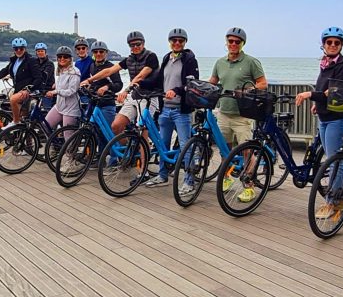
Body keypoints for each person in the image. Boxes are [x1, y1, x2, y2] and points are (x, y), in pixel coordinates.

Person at [295, 27, 343, 219]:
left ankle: (332, 202)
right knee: (334, 159)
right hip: (325, 116)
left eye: (336, 43)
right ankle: (342, 198)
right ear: (323, 44)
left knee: (335, 161)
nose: (332, 45)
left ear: (341, 45)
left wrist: (309, 95)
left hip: (337, 118)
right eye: (329, 42)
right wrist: (318, 105)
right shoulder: (326, 64)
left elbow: (334, 92)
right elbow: (325, 89)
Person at [208, 27, 267, 203]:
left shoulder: (251, 62)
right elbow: (213, 82)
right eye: (230, 41)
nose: (233, 44)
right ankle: (227, 176)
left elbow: (263, 83)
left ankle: (249, 186)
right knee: (224, 149)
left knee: (247, 150)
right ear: (226, 42)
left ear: (242, 44)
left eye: (237, 42)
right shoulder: (220, 62)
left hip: (243, 114)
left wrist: (248, 89)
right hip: (224, 112)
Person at [145, 28, 200, 189]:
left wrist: (176, 91)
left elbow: (191, 83)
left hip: (181, 111)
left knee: (185, 146)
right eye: (174, 40)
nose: (177, 43)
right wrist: (138, 84)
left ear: (184, 43)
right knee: (163, 144)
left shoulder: (189, 60)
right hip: (165, 109)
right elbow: (158, 79)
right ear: (169, 42)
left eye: (180, 41)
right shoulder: (166, 58)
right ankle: (162, 176)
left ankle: (189, 181)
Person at [81, 31, 160, 134]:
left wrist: (126, 91)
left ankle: (143, 150)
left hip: (148, 97)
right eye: (132, 45)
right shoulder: (129, 59)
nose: (135, 47)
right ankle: (126, 148)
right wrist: (88, 80)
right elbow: (109, 71)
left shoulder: (151, 56)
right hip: (135, 96)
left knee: (141, 130)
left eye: (138, 44)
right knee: (116, 126)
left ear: (143, 43)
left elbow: (140, 76)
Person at [0, 37, 43, 127]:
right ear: (14, 49)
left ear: (25, 49)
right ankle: (25, 139)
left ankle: (15, 122)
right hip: (18, 90)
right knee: (24, 119)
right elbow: (2, 73)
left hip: (30, 91)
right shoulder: (14, 61)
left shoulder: (31, 61)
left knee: (13, 99)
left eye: (21, 48)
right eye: (16, 49)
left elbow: (38, 78)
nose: (19, 51)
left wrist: (29, 89)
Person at [86, 40, 123, 150]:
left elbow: (119, 85)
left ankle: (113, 160)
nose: (98, 54)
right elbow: (94, 83)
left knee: (108, 133)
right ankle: (99, 155)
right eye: (96, 51)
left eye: (101, 51)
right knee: (96, 131)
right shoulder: (92, 66)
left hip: (107, 104)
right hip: (95, 103)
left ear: (106, 53)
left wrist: (107, 87)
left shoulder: (111, 67)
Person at [44, 46, 82, 141]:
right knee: (45, 126)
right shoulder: (61, 70)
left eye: (65, 57)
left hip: (70, 109)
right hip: (59, 106)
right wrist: (55, 85)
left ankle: (71, 154)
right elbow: (62, 84)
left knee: (68, 136)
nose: (62, 59)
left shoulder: (75, 72)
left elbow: (71, 91)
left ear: (70, 59)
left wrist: (56, 91)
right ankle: (55, 146)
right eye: (60, 57)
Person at [34, 42, 55, 108]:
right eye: (38, 51)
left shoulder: (50, 64)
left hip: (47, 90)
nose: (40, 52)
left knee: (46, 110)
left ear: (45, 52)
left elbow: (45, 76)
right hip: (37, 90)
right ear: (36, 52)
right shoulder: (34, 63)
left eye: (42, 51)